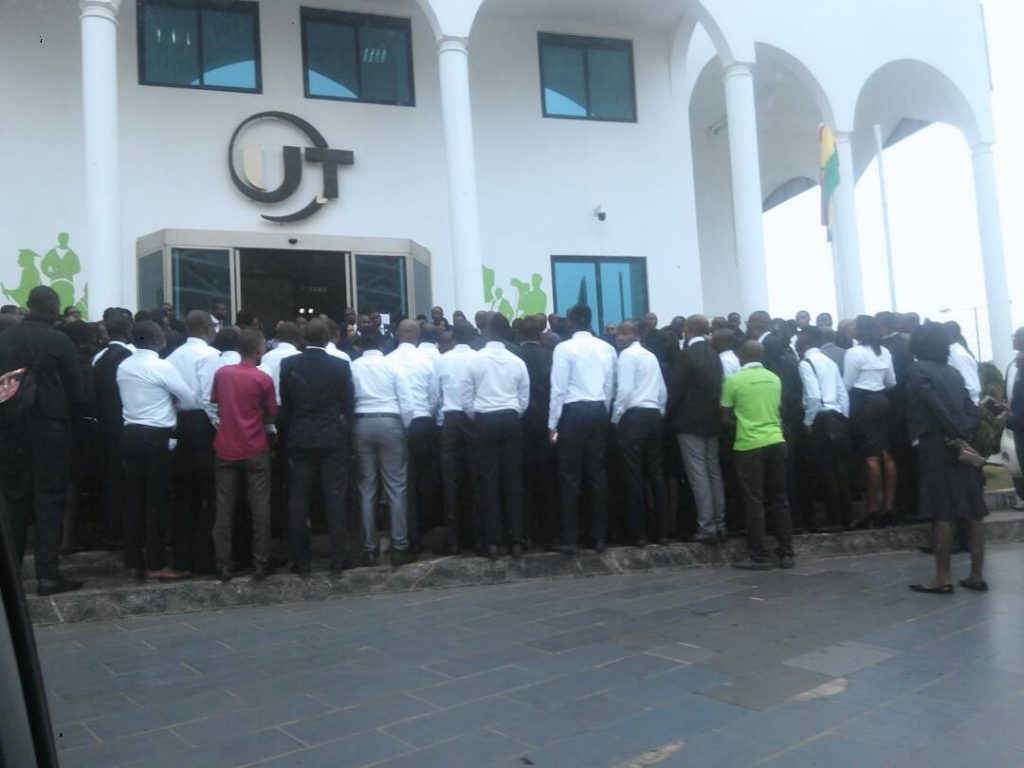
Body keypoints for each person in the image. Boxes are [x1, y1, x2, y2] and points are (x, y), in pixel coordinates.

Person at [0, 285, 84, 596]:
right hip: (50, 428)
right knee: (49, 500)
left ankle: (10, 575)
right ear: (53, 306)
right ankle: (48, 576)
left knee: (13, 502)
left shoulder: (5, 338)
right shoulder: (58, 339)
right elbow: (76, 389)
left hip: (10, 429)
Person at [117, 320, 201, 581]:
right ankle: (155, 563)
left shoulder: (124, 365)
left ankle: (132, 560)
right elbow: (189, 399)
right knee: (156, 502)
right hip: (155, 436)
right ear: (155, 339)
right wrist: (170, 403)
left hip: (129, 433)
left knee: (133, 499)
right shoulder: (161, 366)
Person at [907, 321, 986, 594]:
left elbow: (932, 404)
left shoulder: (917, 369)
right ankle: (976, 575)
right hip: (963, 446)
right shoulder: (953, 372)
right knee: (973, 510)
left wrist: (952, 433)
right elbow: (971, 406)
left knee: (941, 513)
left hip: (936, 445)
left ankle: (943, 578)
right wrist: (965, 434)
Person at [278, 319, 355, 574]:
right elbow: (348, 405)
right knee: (335, 498)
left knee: (298, 499)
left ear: (303, 338)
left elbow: (286, 407)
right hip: (332, 436)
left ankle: (302, 559)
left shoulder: (289, 365)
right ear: (328, 338)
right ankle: (338, 557)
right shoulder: (341, 366)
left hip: (300, 436)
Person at [209, 329, 277, 582]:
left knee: (223, 507)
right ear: (259, 351)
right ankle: (261, 562)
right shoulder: (262, 379)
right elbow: (272, 411)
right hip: (255, 446)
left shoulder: (222, 374)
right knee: (260, 507)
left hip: (226, 445)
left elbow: (215, 402)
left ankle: (223, 563)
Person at [720, 340, 794, 570]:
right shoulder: (774, 378)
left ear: (742, 355)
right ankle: (787, 552)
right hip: (776, 440)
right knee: (780, 498)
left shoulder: (734, 381)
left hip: (749, 444)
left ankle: (758, 554)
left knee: (754, 500)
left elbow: (725, 416)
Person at [549, 304, 617, 553]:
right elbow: (610, 385)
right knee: (597, 474)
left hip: (573, 411)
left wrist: (552, 424)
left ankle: (571, 537)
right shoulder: (606, 348)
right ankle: (599, 536)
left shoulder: (564, 348)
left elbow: (558, 389)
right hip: (599, 409)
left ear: (571, 321)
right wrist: (605, 412)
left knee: (570, 476)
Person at [352, 326, 416, 566]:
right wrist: (403, 428)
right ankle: (400, 544)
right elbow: (407, 404)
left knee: (366, 487)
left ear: (360, 345)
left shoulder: (354, 366)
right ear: (381, 344)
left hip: (361, 423)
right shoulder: (393, 365)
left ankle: (368, 547)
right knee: (396, 486)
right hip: (391, 422)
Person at [467, 313, 530, 558]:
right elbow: (524, 397)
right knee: (514, 481)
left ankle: (492, 541)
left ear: (487, 332)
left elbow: (466, 396)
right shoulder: (517, 361)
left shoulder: (475, 360)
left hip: (485, 420)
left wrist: (478, 414)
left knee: (489, 483)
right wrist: (513, 412)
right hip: (511, 419)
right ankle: (516, 540)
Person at [165, 309, 219, 575]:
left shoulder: (172, 356)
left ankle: (183, 560)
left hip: (179, 425)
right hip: (202, 425)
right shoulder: (209, 355)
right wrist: (219, 427)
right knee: (209, 495)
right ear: (208, 328)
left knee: (184, 498)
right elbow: (209, 398)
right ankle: (205, 559)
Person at [670, 315, 726, 543]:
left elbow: (676, 391)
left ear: (688, 329)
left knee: (698, 474)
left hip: (689, 422)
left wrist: (668, 416)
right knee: (714, 472)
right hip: (712, 421)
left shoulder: (686, 356)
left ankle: (706, 525)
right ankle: (720, 522)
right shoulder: (714, 355)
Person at [613, 320, 668, 546]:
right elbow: (662, 390)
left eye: (623, 334)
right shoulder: (651, 356)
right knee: (656, 474)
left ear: (633, 335)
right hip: (654, 414)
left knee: (634, 475)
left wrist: (615, 417)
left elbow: (624, 389)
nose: (619, 338)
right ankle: (662, 531)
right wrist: (659, 411)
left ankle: (639, 533)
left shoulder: (627, 356)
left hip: (633, 415)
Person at [389, 320, 440, 552]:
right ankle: (425, 525)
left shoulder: (388, 360)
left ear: (398, 334)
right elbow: (434, 397)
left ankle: (407, 533)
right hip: (423, 420)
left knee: (401, 481)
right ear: (418, 335)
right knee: (425, 477)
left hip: (397, 423)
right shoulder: (428, 360)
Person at [796, 326, 853, 530]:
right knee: (840, 471)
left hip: (820, 418)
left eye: (800, 336)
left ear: (806, 341)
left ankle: (833, 519)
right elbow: (842, 393)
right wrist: (843, 417)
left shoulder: (806, 363)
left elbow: (812, 396)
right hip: (837, 416)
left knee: (826, 472)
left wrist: (808, 422)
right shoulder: (829, 361)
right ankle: (846, 516)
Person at [844, 315, 897, 528]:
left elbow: (847, 383)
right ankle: (889, 504)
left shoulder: (854, 352)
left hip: (862, 402)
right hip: (882, 401)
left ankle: (872, 508)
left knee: (870, 456)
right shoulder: (884, 351)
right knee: (887, 455)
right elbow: (891, 382)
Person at [435, 321, 477, 554]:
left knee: (451, 480)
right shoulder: (478, 358)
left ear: (454, 339)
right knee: (475, 476)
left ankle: (452, 539)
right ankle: (475, 535)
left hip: (450, 420)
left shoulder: (443, 359)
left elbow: (435, 393)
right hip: (473, 420)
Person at [93, 312, 134, 546]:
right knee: (123, 480)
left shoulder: (100, 357)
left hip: (103, 425)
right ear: (128, 331)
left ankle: (109, 529)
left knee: (109, 478)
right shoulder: (128, 356)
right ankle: (119, 531)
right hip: (123, 424)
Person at [516, 315, 557, 548]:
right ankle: (549, 533)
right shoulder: (550, 356)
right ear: (540, 334)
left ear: (520, 334)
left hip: (522, 423)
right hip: (545, 422)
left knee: (524, 480)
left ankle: (527, 532)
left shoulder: (514, 356)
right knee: (547, 478)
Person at [258, 321, 303, 404]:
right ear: (296, 338)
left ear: (278, 337)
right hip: (291, 407)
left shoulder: (266, 357)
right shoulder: (301, 358)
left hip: (268, 406)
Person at [943, 321, 981, 405]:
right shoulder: (950, 353)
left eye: (942, 333)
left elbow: (972, 387)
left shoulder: (958, 355)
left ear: (952, 334)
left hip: (965, 408)